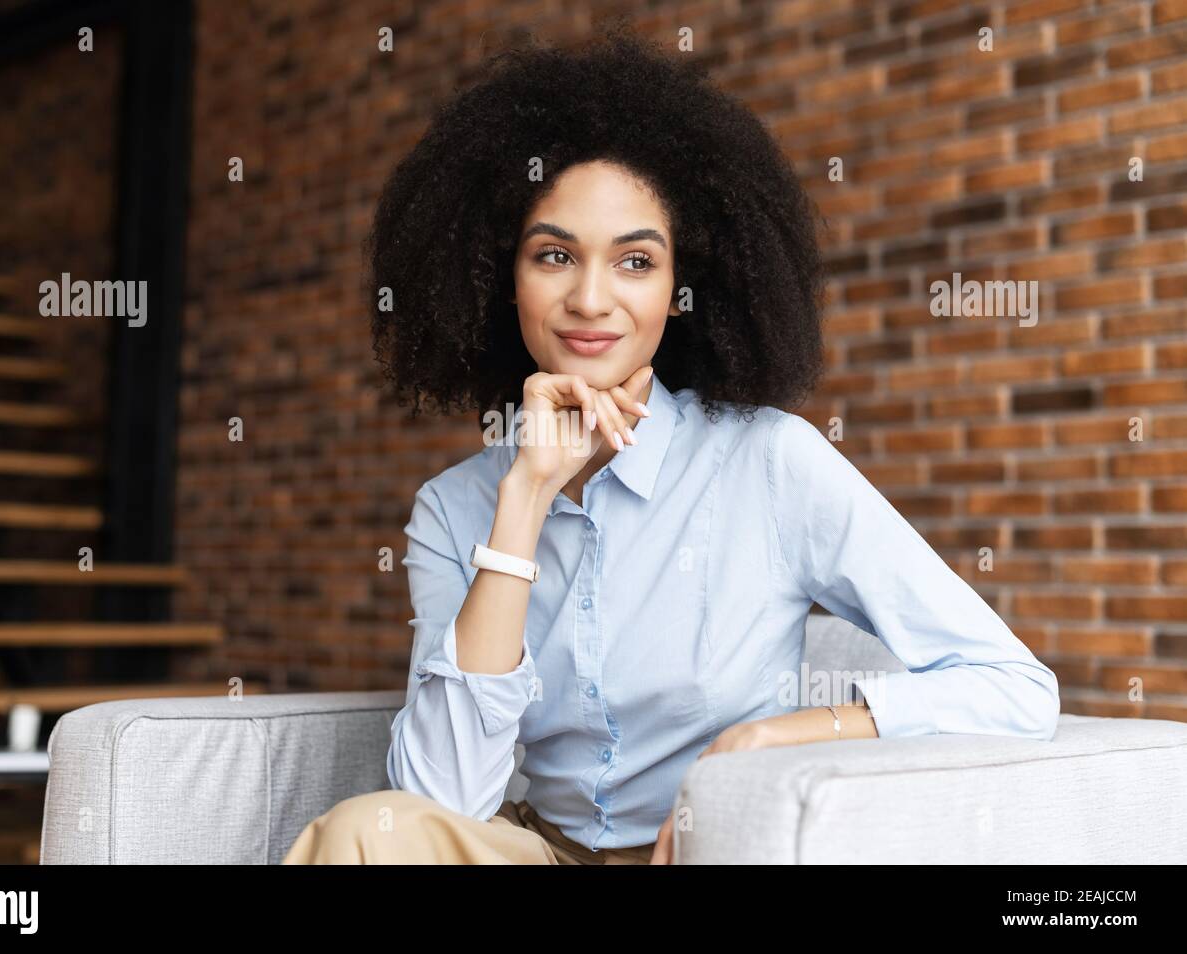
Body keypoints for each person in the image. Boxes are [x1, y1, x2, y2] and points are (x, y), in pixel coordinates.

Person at [282, 27, 1060, 866]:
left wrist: (785, 737)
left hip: (714, 849)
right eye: (554, 256)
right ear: (499, 279)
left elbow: (1015, 687)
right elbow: (438, 802)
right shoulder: (454, 507)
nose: (590, 298)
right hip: (539, 852)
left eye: (635, 262)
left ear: (683, 291)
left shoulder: (770, 462)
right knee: (366, 830)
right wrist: (523, 502)